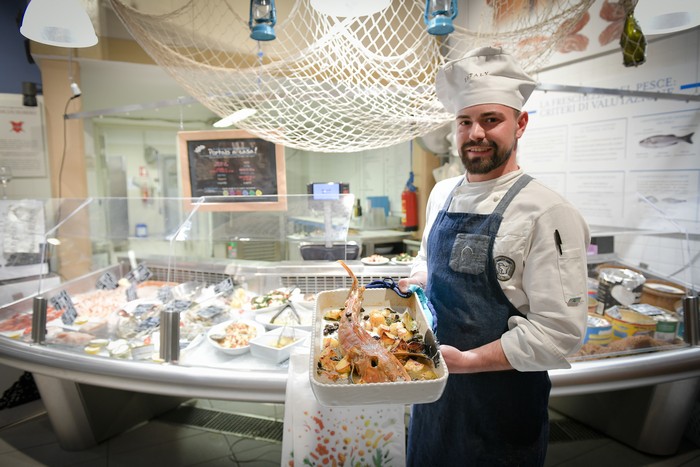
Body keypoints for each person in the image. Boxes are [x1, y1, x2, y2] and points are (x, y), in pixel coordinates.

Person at [399, 46, 590, 466]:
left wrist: (467, 362)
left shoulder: (546, 212)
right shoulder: (442, 193)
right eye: (465, 121)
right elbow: (429, 262)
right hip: (433, 391)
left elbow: (559, 334)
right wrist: (419, 282)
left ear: (520, 124)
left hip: (501, 408)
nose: (476, 133)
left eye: (491, 120)